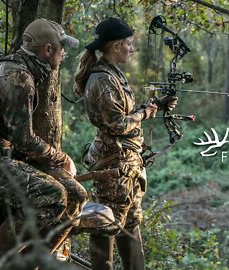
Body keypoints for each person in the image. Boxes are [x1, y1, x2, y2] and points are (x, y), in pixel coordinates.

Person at [0, 18, 87, 269]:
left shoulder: (22, 69)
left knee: (76, 195)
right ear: (47, 50)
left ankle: (29, 263)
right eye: (61, 46)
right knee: (52, 195)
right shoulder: (18, 76)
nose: (64, 52)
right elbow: (24, 141)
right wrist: (62, 159)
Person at [73, 17, 177, 270]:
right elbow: (116, 124)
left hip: (126, 162)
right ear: (116, 45)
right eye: (129, 44)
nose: (132, 49)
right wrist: (146, 113)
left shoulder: (113, 75)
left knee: (129, 222)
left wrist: (157, 105)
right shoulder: (102, 79)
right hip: (114, 163)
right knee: (106, 222)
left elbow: (121, 116)